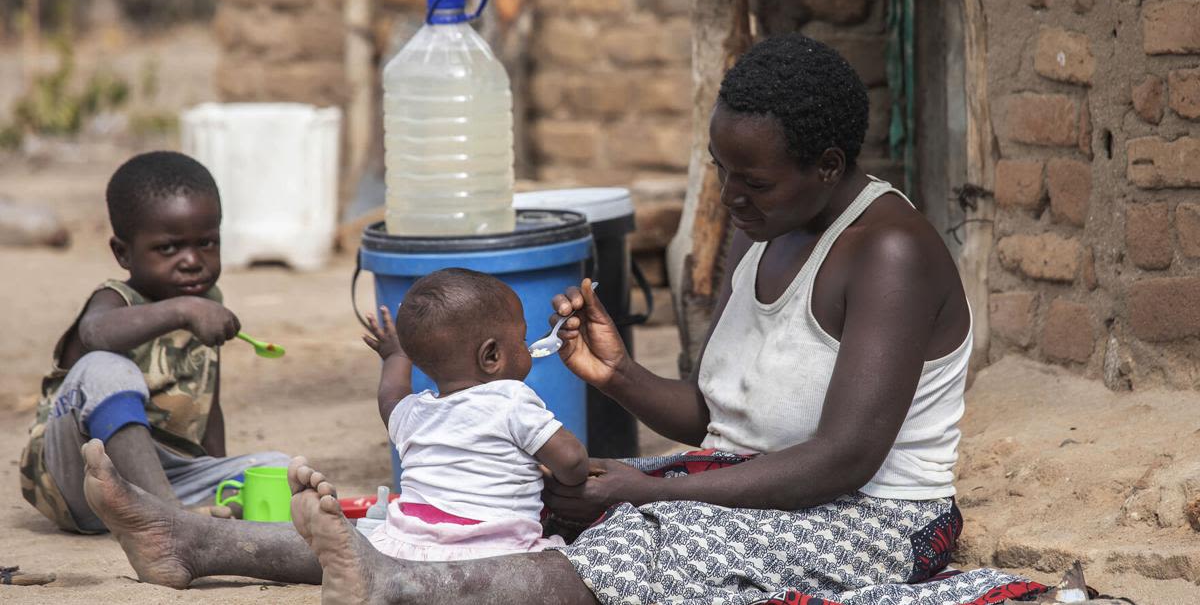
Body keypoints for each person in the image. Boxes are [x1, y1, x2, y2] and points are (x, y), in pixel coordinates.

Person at [77, 35, 1044, 604]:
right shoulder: (769, 229)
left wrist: (648, 493)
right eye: (723, 173)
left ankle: (391, 586)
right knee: (492, 497)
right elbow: (722, 423)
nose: (731, 200)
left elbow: (842, 459)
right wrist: (619, 378)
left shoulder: (890, 251)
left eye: (752, 180)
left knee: (622, 541)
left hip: (875, 519)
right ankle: (198, 543)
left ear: (829, 165)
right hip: (754, 479)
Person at [19, 151, 290, 534]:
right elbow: (95, 335)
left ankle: (171, 512)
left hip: (160, 481)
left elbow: (208, 404)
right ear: (123, 253)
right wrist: (183, 310)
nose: (192, 260)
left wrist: (216, 471)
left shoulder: (207, 304)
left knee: (279, 469)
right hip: (80, 480)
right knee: (105, 369)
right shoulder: (115, 301)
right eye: (168, 248)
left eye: (207, 243)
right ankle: (172, 520)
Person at [359, 268, 588, 560]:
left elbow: (390, 394)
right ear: (491, 356)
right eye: (522, 339)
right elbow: (572, 461)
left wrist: (395, 356)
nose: (527, 348)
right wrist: (572, 477)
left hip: (409, 546)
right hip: (496, 551)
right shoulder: (510, 399)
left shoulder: (410, 412)